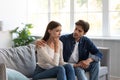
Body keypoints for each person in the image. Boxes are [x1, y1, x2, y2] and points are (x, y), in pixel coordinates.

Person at [36, 20, 103, 80]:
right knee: (63, 68)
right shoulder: (64, 39)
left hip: (78, 64)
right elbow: (48, 39)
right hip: (55, 68)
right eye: (75, 29)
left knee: (96, 63)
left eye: (79, 31)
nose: (76, 32)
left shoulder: (86, 41)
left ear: (84, 33)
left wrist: (88, 60)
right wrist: (37, 41)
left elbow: (99, 54)